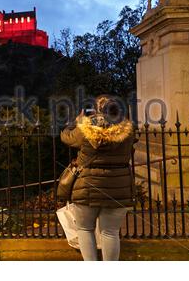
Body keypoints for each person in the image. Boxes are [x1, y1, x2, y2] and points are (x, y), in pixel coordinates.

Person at [61, 96, 136, 261]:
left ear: (95, 110)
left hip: (86, 186)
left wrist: (77, 121)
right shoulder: (128, 130)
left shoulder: (85, 129)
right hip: (118, 187)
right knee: (110, 232)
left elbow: (66, 137)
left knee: (85, 229)